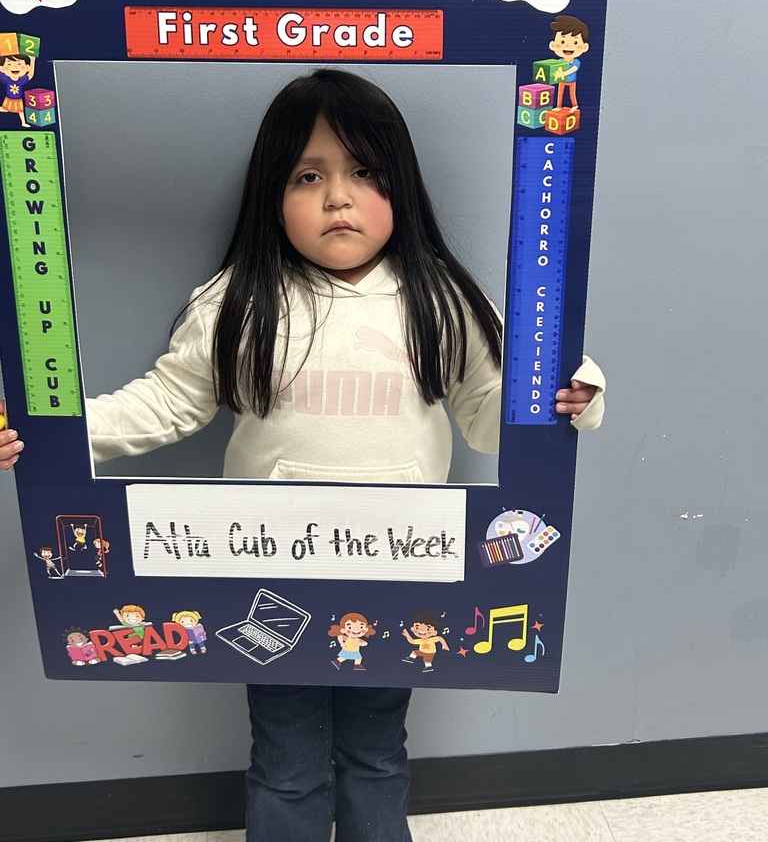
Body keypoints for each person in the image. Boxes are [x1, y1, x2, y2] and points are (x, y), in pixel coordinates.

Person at [0, 68, 604, 841]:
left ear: (401, 187)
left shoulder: (445, 297)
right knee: (285, 759)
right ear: (272, 194)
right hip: (268, 586)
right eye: (308, 176)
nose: (338, 198)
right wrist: (42, 427)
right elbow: (164, 404)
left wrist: (566, 402)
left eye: (364, 173)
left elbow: (493, 422)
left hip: (402, 579)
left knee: (378, 754)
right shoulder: (238, 299)